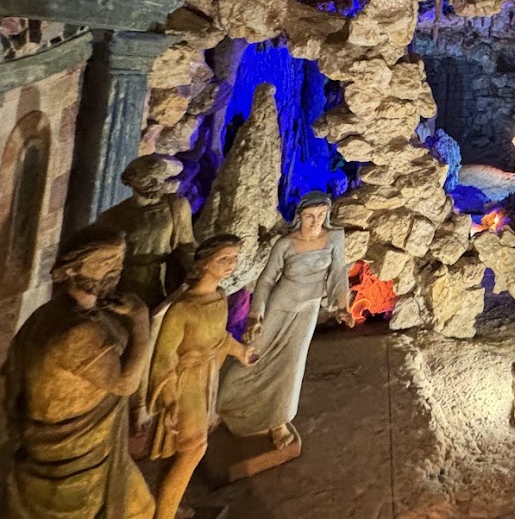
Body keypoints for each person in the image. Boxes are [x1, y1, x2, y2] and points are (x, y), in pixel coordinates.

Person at [2, 226, 155, 519]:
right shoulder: (77, 331)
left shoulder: (57, 312)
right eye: (104, 262)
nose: (115, 269)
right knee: (137, 510)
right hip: (74, 455)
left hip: (90, 444)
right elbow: (124, 384)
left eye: (118, 261)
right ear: (72, 269)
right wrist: (140, 320)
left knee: (141, 507)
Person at [215, 192, 350, 450]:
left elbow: (338, 271)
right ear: (300, 216)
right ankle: (224, 404)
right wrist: (256, 315)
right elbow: (266, 281)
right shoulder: (285, 244)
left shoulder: (334, 238)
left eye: (321, 215)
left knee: (291, 366)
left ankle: (278, 421)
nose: (315, 221)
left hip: (307, 310)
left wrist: (343, 306)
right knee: (255, 353)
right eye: (310, 216)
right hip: (280, 306)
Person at [145, 235, 255, 519]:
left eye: (233, 258)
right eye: (223, 259)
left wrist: (240, 351)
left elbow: (219, 339)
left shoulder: (219, 298)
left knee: (184, 450)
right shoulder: (182, 309)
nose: (231, 264)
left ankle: (167, 505)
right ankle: (164, 515)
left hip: (207, 379)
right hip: (185, 385)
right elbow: (164, 358)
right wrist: (168, 399)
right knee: (193, 448)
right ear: (204, 263)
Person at [95, 155, 195, 308]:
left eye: (159, 178)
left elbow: (187, 244)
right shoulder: (113, 217)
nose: (156, 184)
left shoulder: (176, 206)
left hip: (165, 280)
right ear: (133, 180)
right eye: (149, 179)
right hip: (129, 285)